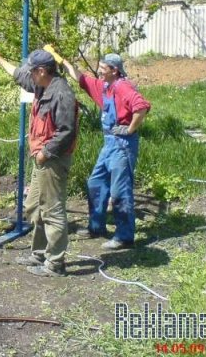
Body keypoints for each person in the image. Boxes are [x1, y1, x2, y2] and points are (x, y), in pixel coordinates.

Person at [0, 48, 78, 277]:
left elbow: (66, 131)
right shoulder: (41, 84)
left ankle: (55, 264)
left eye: (32, 71)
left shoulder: (61, 94)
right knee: (35, 206)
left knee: (52, 210)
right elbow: (18, 75)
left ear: (41, 70)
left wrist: (45, 153)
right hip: (42, 158)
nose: (30, 75)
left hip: (53, 160)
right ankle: (38, 253)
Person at [60, 52, 150, 250]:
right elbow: (82, 78)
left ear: (114, 70)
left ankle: (124, 236)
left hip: (122, 145)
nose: (99, 71)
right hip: (108, 143)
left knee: (119, 191)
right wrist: (63, 61)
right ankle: (96, 226)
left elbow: (141, 107)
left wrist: (130, 128)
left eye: (103, 69)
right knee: (96, 182)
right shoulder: (105, 86)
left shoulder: (122, 87)